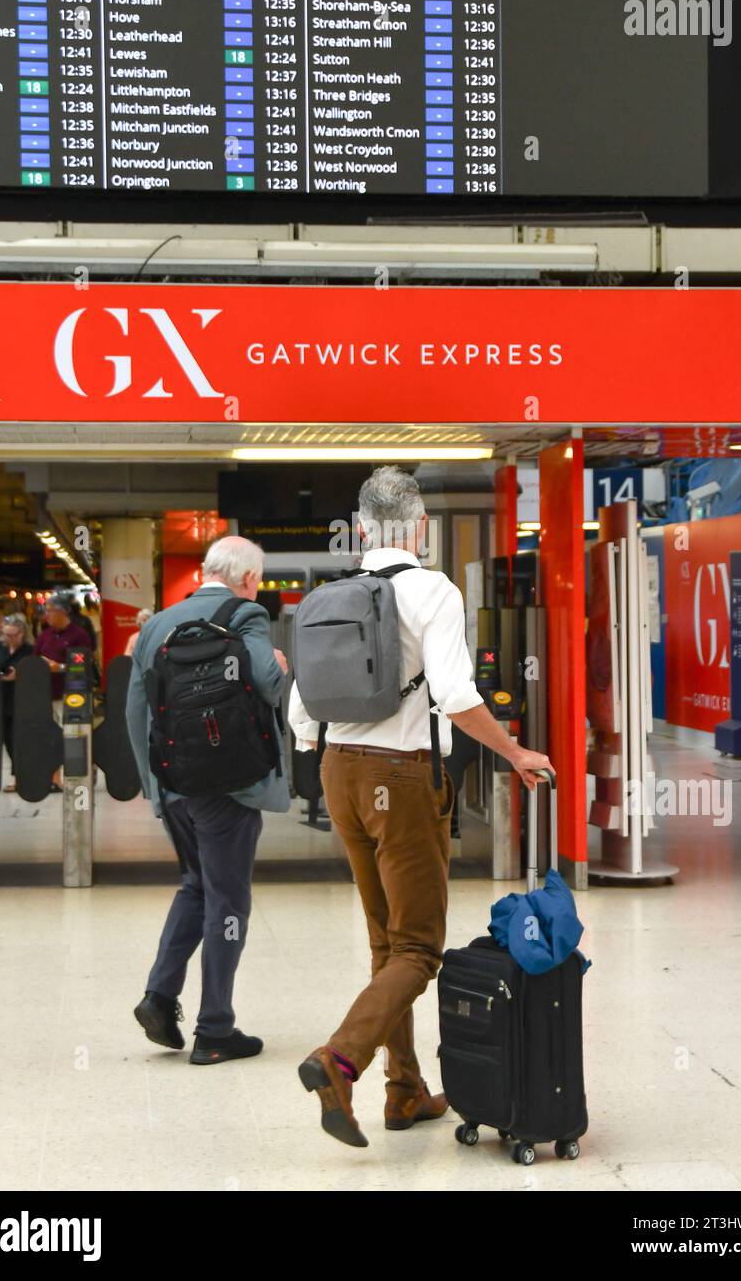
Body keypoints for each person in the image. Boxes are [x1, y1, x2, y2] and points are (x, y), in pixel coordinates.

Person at [288, 467, 553, 1149]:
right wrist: (516, 751)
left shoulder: (329, 597)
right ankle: (339, 1061)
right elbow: (458, 695)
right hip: (400, 781)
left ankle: (403, 1094)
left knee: (386, 942)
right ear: (421, 527)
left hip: (337, 774)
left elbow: (300, 714)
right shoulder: (431, 589)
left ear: (363, 528)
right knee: (418, 947)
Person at [125, 536, 290, 1067]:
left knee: (197, 885)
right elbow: (267, 682)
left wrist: (156, 787)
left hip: (175, 784)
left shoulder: (155, 626)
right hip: (230, 786)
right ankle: (215, 1028)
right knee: (229, 901)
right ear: (248, 579)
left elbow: (135, 712)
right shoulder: (246, 615)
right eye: (258, 580)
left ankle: (158, 997)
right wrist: (281, 665)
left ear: (206, 571)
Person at [33, 595, 92, 792]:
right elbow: (34, 659)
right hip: (47, 695)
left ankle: (79, 774)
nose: (46, 615)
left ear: (62, 611)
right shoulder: (45, 635)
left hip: (71, 696)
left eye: (50, 611)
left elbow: (82, 665)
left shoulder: (79, 635)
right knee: (50, 737)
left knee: (72, 736)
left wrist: (59, 666)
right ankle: (54, 777)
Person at [0, 613, 35, 794]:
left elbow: (35, 672)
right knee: (8, 740)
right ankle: (21, 776)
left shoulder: (29, 650)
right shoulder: (0, 648)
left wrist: (19, 674)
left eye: (15, 635)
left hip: (23, 699)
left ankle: (21, 778)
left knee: (20, 739)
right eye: (7, 635)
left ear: (23, 633)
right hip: (2, 699)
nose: (11, 639)